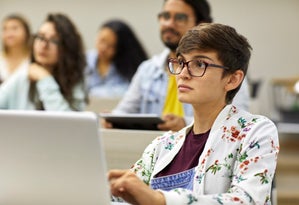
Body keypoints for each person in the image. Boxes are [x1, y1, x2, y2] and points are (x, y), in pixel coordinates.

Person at [108, 23, 279, 205]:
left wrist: (161, 200)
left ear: (232, 79)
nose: (183, 74)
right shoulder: (161, 146)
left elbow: (247, 201)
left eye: (199, 64)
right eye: (181, 63)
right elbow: (123, 197)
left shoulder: (255, 131)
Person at [109, 0, 250, 131]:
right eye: (165, 16)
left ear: (202, 24)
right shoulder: (148, 69)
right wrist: (111, 119)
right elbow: (124, 111)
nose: (169, 24)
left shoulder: (225, 72)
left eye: (180, 17)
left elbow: (235, 123)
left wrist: (185, 124)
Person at [0, 13, 87, 111]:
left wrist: (44, 78)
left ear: (67, 47)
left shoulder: (75, 79)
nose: (44, 45)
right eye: (40, 37)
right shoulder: (25, 75)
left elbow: (68, 123)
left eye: (54, 40)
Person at [85, 19, 148, 98]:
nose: (103, 48)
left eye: (110, 46)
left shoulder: (129, 68)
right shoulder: (83, 61)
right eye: (101, 40)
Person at [0, 14, 31, 83]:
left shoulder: (33, 60)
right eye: (5, 29)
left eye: (14, 28)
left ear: (26, 32)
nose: (9, 34)